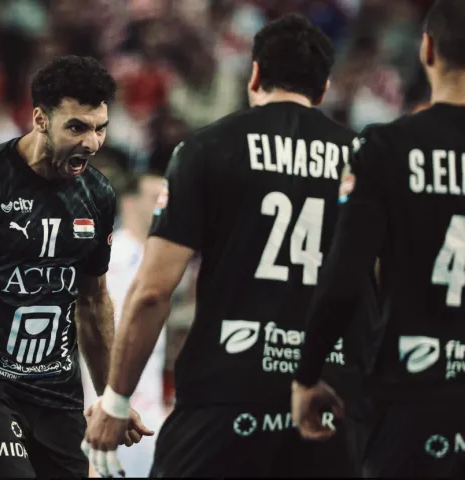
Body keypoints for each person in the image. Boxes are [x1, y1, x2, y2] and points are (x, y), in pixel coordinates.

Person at [83, 14, 377, 478]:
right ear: (323, 89)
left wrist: (116, 400)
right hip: (331, 398)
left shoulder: (207, 148)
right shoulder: (366, 161)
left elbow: (153, 291)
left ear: (254, 75)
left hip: (225, 396)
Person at [291, 0, 465, 477]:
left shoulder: (387, 147)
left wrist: (308, 374)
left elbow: (344, 277)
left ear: (427, 49)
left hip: (411, 392)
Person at [0, 55, 150, 478]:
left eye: (100, 128)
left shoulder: (98, 196)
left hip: (58, 396)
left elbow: (93, 304)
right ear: (40, 119)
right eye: (76, 127)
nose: (92, 143)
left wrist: (112, 398)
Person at [81, 173, 168, 477]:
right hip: (108, 408)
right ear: (130, 202)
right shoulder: (110, 259)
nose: (164, 205)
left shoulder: (159, 262)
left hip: (149, 413)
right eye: (156, 197)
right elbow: (90, 327)